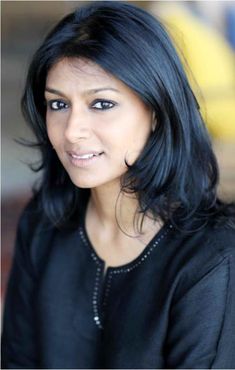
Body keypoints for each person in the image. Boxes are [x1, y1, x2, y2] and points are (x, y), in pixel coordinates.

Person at [1, 1, 235, 368]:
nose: (73, 131)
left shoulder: (211, 259)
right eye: (58, 105)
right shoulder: (44, 223)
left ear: (156, 111)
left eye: (102, 104)